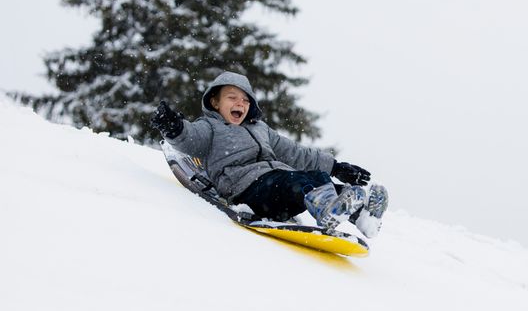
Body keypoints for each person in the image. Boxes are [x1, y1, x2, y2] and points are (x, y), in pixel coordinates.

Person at [150, 71, 387, 237]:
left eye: (245, 100)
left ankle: (362, 215)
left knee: (317, 179)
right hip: (246, 189)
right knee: (299, 182)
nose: (240, 104)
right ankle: (327, 210)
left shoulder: (260, 129)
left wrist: (336, 167)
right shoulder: (209, 127)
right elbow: (189, 140)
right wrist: (174, 128)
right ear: (214, 102)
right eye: (232, 97)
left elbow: (295, 152)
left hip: (277, 187)